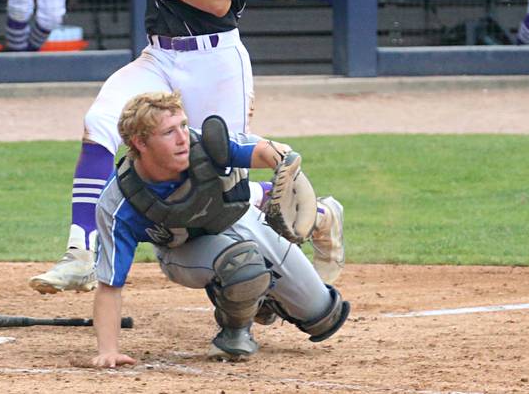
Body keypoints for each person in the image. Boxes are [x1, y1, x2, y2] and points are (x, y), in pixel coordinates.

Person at [28, 0, 344, 295]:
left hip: (213, 57)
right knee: (100, 120)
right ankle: (81, 251)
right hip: (159, 55)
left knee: (220, 189)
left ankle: (318, 215)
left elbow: (219, 1)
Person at [90, 91, 350, 365]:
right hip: (182, 252)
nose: (182, 138)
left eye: (182, 125)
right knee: (241, 263)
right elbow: (109, 284)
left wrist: (281, 159)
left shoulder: (207, 143)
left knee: (322, 316)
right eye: (169, 132)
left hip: (239, 222)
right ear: (140, 142)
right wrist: (107, 350)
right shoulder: (118, 202)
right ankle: (234, 333)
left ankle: (261, 296)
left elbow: (267, 151)